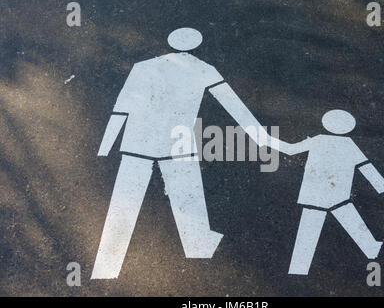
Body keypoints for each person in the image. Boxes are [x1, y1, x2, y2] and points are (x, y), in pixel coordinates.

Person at [91, 28, 299, 279]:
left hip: (137, 143)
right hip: (177, 144)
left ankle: (105, 267)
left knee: (123, 204)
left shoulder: (144, 66)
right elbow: (234, 106)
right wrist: (262, 138)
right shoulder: (204, 69)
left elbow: (122, 108)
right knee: (189, 203)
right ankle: (200, 253)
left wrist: (105, 146)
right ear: (196, 44)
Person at [288, 109, 384, 275]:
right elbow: (365, 166)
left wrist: (268, 141)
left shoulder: (318, 140)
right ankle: (372, 249)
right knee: (350, 219)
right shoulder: (349, 143)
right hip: (338, 194)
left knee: (309, 229)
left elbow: (290, 149)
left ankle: (299, 268)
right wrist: (382, 186)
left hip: (314, 194)